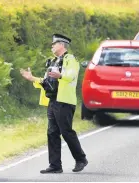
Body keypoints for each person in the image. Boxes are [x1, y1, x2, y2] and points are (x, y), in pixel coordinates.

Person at [20, 34, 88, 173]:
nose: (52, 46)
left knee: (66, 132)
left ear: (62, 45)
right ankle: (55, 165)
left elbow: (71, 75)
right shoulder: (53, 61)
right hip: (53, 101)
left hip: (64, 101)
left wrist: (61, 75)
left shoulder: (70, 59)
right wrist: (32, 78)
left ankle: (81, 159)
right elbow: (46, 82)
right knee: (52, 132)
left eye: (54, 43)